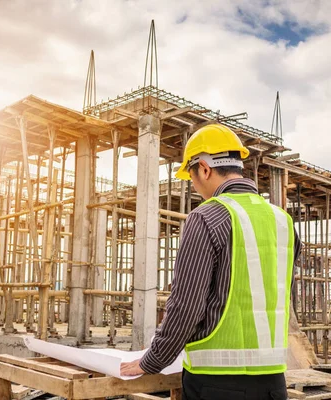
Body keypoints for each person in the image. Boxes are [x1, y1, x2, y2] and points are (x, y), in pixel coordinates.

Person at [120, 124, 300, 400]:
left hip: (216, 385)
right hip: (273, 384)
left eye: (192, 178)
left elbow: (186, 305)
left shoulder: (207, 216)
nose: (194, 187)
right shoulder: (282, 221)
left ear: (204, 169)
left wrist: (152, 360)